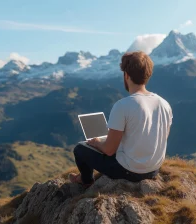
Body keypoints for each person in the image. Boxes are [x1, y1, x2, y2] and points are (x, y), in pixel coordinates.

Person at [69, 51, 173, 187]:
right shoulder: (164, 104)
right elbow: (160, 136)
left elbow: (109, 150)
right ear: (148, 75)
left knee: (80, 149)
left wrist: (96, 143)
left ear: (127, 75)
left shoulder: (123, 105)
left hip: (129, 171)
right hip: (154, 169)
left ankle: (86, 180)